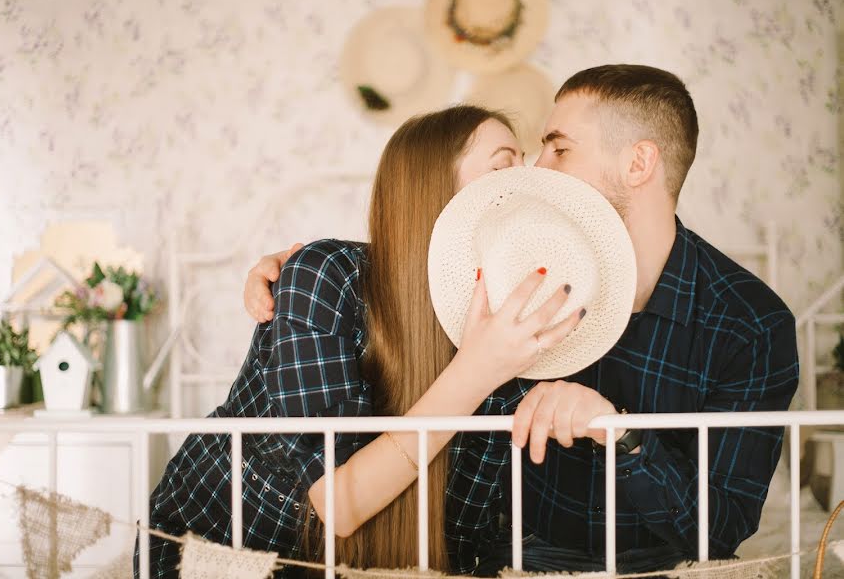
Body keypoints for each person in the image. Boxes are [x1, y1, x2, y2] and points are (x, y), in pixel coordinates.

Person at [243, 64, 800, 575]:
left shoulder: (750, 325)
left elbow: (722, 534)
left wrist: (620, 433)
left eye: (558, 150)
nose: (537, 172)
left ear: (638, 163)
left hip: (650, 562)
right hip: (501, 555)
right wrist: (297, 276)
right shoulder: (504, 286)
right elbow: (409, 271)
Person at [135, 105, 585, 578]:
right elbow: (338, 503)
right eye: (502, 164)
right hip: (221, 556)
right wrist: (476, 371)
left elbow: (473, 532)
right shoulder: (327, 278)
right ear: (432, 189)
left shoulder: (517, 328)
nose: (527, 180)